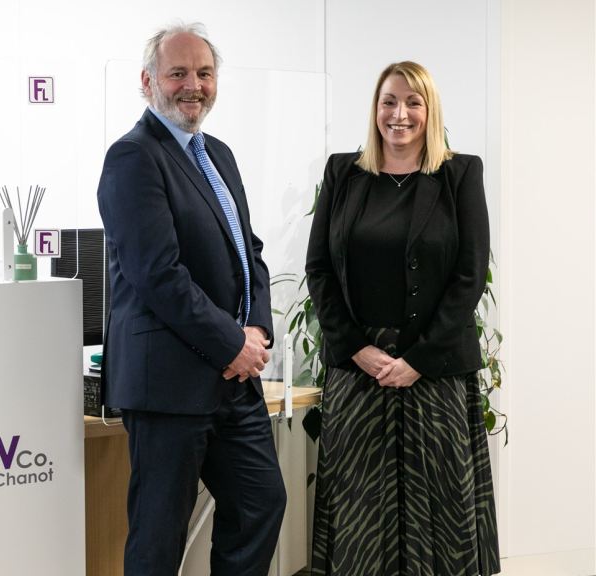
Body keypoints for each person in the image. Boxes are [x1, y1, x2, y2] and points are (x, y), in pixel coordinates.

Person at [97, 22, 286, 576]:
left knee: (261, 503)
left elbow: (248, 250)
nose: (193, 85)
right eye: (178, 72)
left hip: (232, 379)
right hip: (169, 386)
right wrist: (232, 342)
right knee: (159, 539)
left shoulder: (218, 154)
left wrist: (257, 330)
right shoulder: (133, 157)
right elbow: (160, 276)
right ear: (148, 81)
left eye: (204, 73)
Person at [306, 61, 500, 576]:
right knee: (358, 508)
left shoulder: (460, 173)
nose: (400, 114)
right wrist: (355, 348)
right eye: (389, 101)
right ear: (375, 108)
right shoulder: (343, 173)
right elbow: (319, 269)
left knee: (441, 507)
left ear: (429, 111)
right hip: (358, 371)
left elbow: (469, 275)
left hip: (433, 372)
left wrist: (418, 358)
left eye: (413, 102)